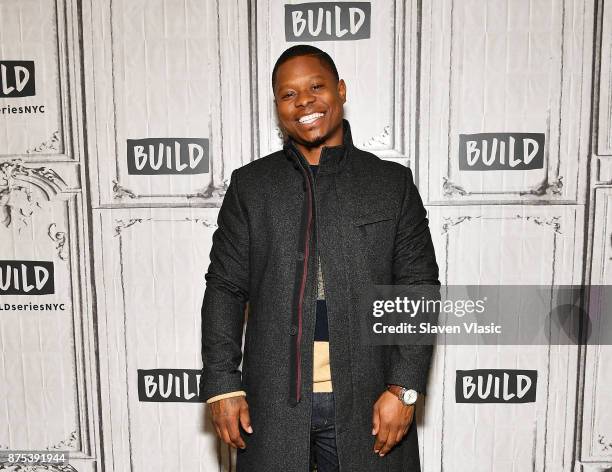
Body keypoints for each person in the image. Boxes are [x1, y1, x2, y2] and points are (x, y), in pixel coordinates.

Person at [200, 44, 440, 472]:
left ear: (341, 90)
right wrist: (221, 385)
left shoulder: (390, 183)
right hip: (271, 410)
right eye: (288, 94)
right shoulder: (251, 186)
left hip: (369, 405)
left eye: (315, 86)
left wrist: (404, 389)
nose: (304, 102)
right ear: (277, 107)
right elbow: (225, 287)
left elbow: (418, 289)